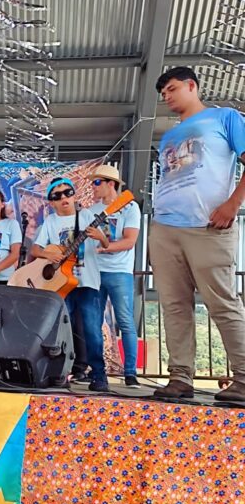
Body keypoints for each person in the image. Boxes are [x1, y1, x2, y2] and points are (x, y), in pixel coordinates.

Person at [150, 67, 245, 401]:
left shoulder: (225, 118)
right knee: (173, 305)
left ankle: (244, 377)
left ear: (192, 85)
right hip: (165, 227)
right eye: (163, 93)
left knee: (222, 302)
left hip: (209, 226)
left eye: (172, 88)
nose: (167, 96)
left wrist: (233, 204)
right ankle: (180, 378)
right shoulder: (168, 138)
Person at [31, 177, 110, 391]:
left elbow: (106, 244)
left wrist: (100, 237)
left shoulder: (87, 216)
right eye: (57, 196)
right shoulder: (50, 222)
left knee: (92, 330)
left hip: (87, 282)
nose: (64, 198)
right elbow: (35, 250)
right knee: (60, 331)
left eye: (68, 193)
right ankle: (60, 373)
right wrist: (49, 254)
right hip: (61, 285)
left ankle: (99, 375)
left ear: (74, 196)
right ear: (51, 202)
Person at [89, 164, 141, 388]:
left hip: (120, 272)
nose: (93, 186)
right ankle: (97, 372)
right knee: (94, 323)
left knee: (125, 321)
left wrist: (105, 246)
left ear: (111, 184)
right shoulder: (92, 210)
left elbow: (130, 241)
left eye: (97, 182)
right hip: (95, 272)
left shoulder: (130, 207)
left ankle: (130, 372)